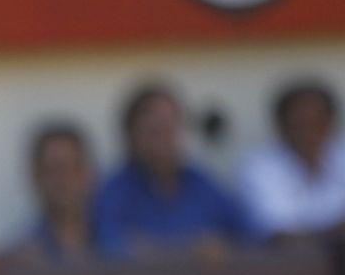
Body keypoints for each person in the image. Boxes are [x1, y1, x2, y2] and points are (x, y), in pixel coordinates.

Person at [91, 82, 255, 260]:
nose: (164, 141)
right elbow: (111, 249)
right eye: (154, 131)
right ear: (130, 136)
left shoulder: (201, 183)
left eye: (171, 129)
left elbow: (248, 239)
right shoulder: (112, 191)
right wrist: (191, 251)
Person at [238, 78, 345, 242]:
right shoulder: (259, 167)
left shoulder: (340, 155)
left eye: (317, 122)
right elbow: (280, 237)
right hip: (284, 265)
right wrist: (336, 232)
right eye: (299, 123)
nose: (308, 132)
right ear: (280, 125)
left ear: (330, 123)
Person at [18, 121, 95, 262]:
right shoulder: (23, 252)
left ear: (87, 174)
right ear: (36, 177)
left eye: (72, 169)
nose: (63, 180)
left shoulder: (117, 241)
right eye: (53, 170)